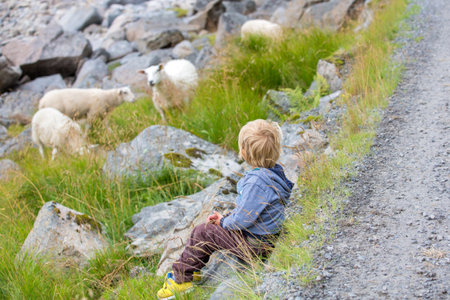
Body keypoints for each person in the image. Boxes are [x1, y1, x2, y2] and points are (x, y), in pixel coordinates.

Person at [157, 119, 294, 299]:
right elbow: (252, 212)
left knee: (203, 232)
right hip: (265, 239)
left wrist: (223, 221)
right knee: (209, 230)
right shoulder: (274, 173)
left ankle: (181, 281)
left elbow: (242, 219)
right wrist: (226, 217)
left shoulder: (256, 182)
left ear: (244, 153)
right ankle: (193, 267)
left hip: (255, 247)